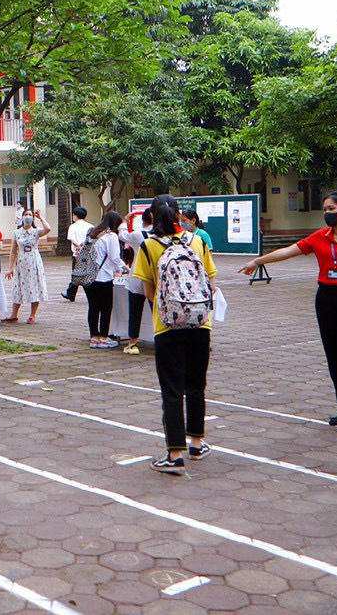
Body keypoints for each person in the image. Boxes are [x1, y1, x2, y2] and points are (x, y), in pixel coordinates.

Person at [239, 190, 337, 432]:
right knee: (335, 355)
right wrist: (258, 261)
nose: (327, 213)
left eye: (332, 209)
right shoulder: (321, 236)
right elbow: (289, 251)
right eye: (325, 209)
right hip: (327, 298)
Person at [133, 196, 218, 475]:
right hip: (200, 323)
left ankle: (175, 454)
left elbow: (148, 291)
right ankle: (197, 444)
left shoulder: (149, 245)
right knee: (196, 384)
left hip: (167, 326)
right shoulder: (197, 241)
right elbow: (211, 282)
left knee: (172, 389)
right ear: (179, 215)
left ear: (152, 216)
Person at [84, 211, 125, 349]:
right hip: (103, 277)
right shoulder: (111, 236)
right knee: (106, 308)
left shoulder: (93, 234)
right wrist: (124, 268)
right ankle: (103, 338)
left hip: (88, 277)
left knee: (93, 308)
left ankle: (94, 338)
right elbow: (114, 257)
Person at [4, 208, 50, 323]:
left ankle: (32, 315)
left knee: (35, 286)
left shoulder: (36, 231)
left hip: (34, 260)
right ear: (22, 217)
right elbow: (13, 251)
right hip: (21, 261)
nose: (28, 216)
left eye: (30, 215)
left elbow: (48, 229)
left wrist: (40, 217)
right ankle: (14, 314)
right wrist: (10, 268)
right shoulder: (17, 233)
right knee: (18, 287)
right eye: (26, 214)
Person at [118, 208, 153, 355]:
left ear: (143, 220)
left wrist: (125, 220)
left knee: (135, 310)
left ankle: (133, 343)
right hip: (154, 278)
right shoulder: (162, 235)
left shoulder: (139, 234)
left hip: (137, 276)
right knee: (157, 311)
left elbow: (122, 235)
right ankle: (162, 340)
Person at [61, 207, 91, 301]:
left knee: (76, 274)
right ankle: (71, 293)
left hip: (77, 254)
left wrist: (78, 246)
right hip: (88, 253)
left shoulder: (73, 226)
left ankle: (71, 293)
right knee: (88, 273)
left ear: (75, 215)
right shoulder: (90, 226)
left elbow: (72, 239)